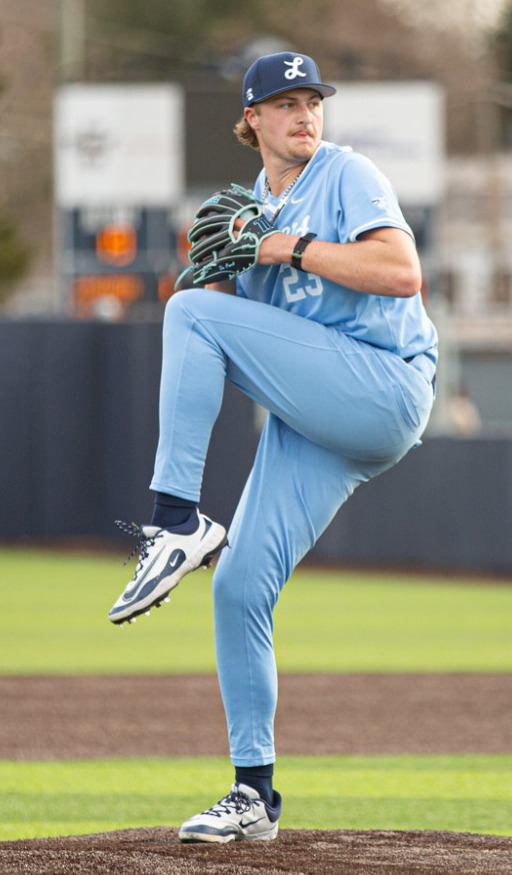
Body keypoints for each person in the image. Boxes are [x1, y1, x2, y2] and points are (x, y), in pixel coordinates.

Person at [106, 50, 437, 843]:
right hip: (314, 413)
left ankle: (176, 518)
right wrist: (218, 266)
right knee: (239, 590)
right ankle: (254, 794)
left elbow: (401, 272)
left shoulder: (345, 174)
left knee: (188, 315)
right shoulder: (245, 207)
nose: (304, 115)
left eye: (311, 100)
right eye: (285, 103)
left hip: (385, 385)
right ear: (251, 119)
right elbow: (217, 324)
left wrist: (278, 249)